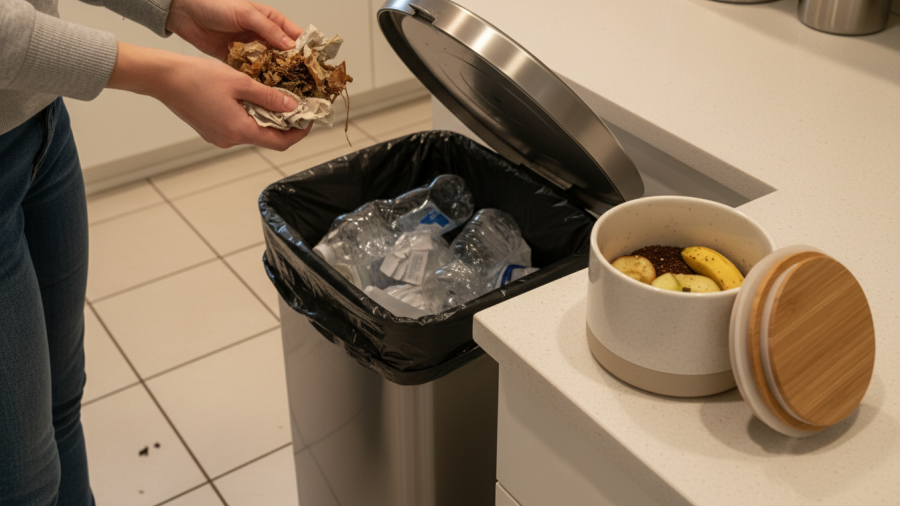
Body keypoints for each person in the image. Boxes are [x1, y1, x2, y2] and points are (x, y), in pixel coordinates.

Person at [0, 0, 310, 504]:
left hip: (38, 123)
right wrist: (164, 76)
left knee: (61, 405)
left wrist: (176, 8)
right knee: (22, 481)